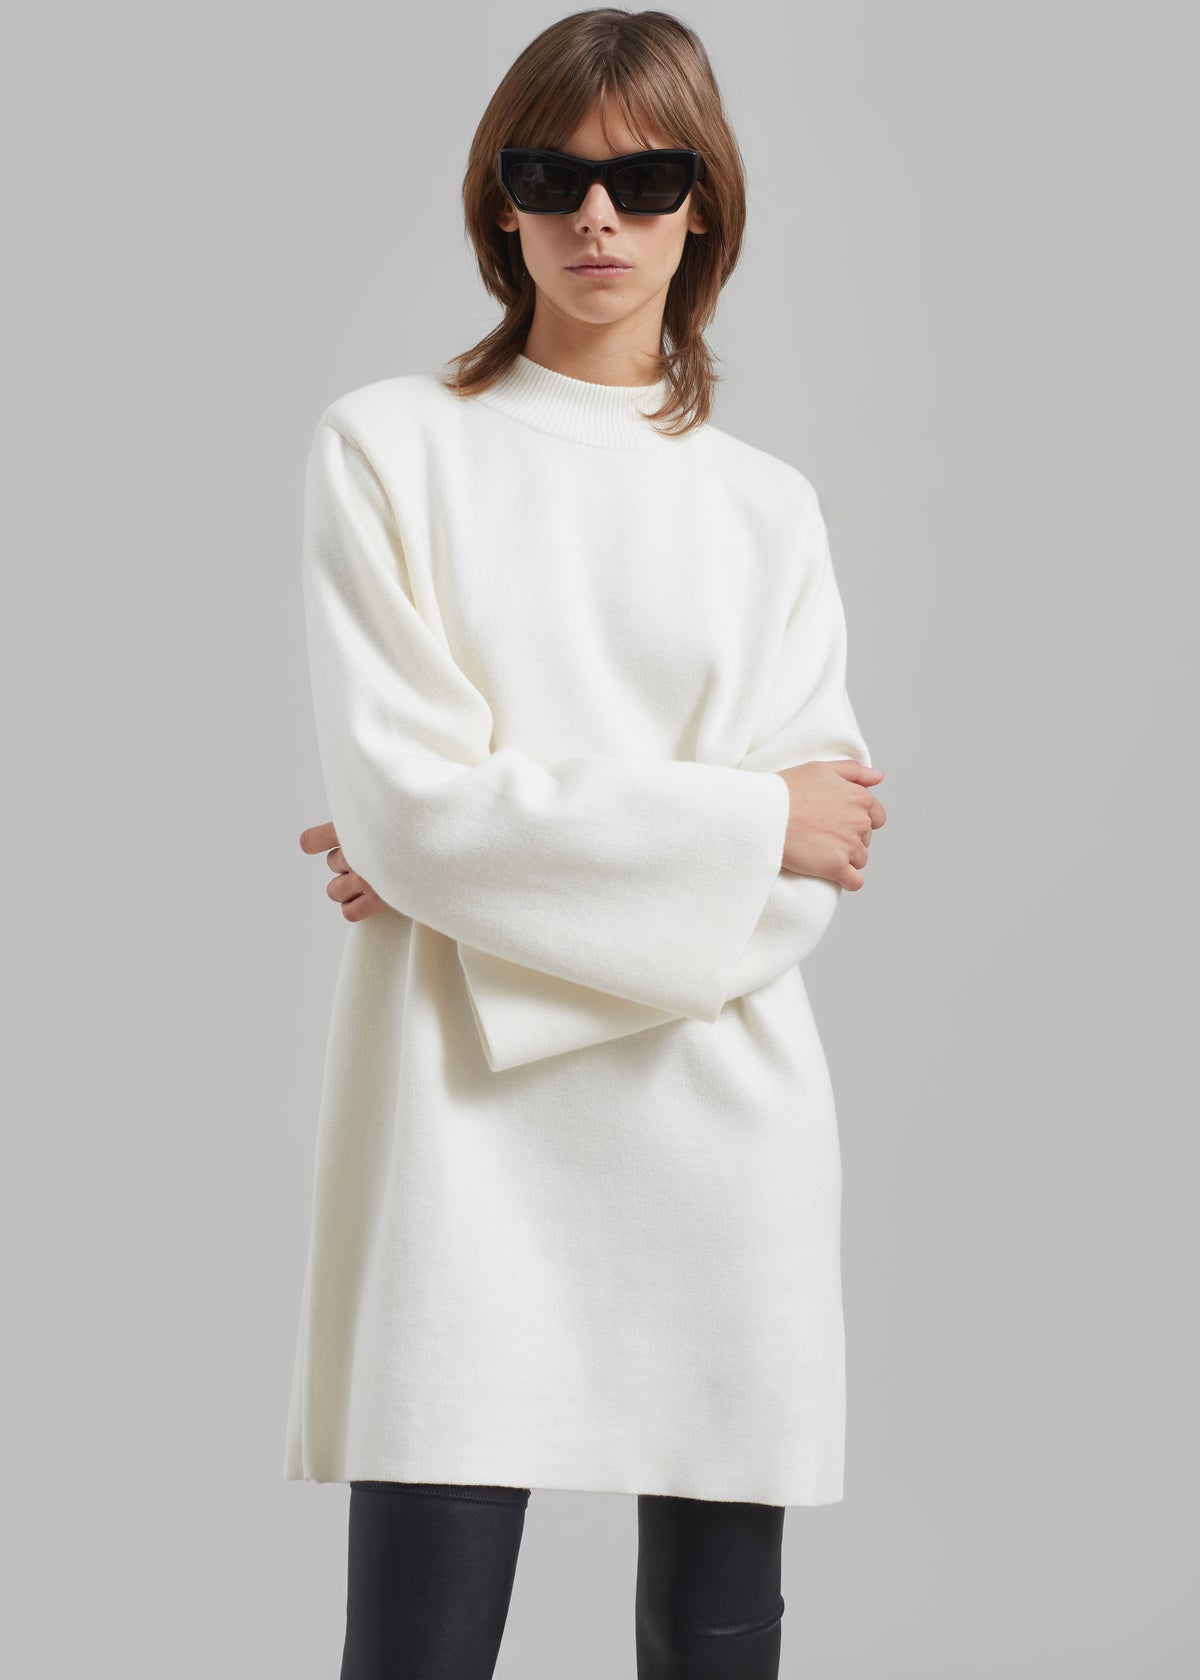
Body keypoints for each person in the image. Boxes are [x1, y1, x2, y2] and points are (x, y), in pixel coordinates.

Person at [283, 9, 886, 1677]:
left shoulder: (768, 507)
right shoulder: (388, 446)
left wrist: (479, 882)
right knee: (419, 1638)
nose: (598, 216)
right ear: (502, 203)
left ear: (706, 205)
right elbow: (419, 808)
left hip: (722, 1123)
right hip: (459, 1118)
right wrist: (736, 821)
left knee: (717, 1639)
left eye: (647, 176)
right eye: (552, 176)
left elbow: (812, 874)